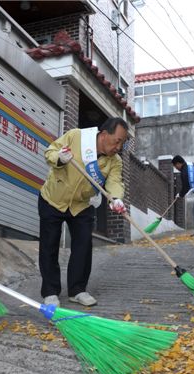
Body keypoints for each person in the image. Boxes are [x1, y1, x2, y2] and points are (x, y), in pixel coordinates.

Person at [39, 117, 128, 307]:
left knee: (83, 246)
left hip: (82, 204)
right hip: (53, 199)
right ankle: (50, 291)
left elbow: (114, 182)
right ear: (104, 135)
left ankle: (77, 290)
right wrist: (59, 158)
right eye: (117, 141)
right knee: (49, 245)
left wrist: (116, 198)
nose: (118, 147)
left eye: (122, 143)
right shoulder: (76, 136)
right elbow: (50, 151)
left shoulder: (115, 161)